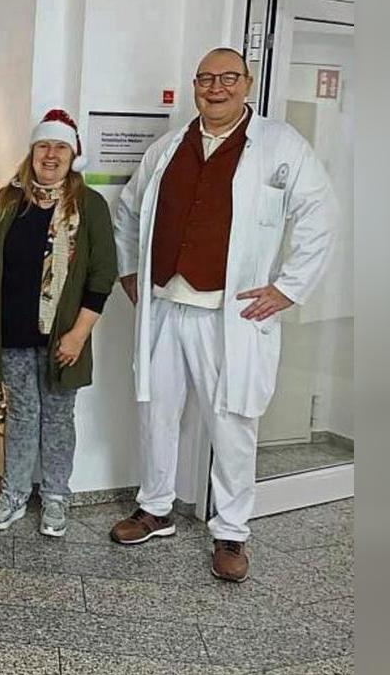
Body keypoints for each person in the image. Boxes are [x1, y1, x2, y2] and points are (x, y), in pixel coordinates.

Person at [111, 48, 338, 582]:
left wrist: (288, 287)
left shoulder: (281, 145)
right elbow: (129, 209)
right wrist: (129, 273)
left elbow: (319, 215)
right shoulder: (168, 148)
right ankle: (156, 507)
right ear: (194, 86)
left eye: (228, 78)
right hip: (166, 304)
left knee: (233, 423)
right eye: (206, 78)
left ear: (247, 83)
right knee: (156, 411)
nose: (216, 87)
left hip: (229, 314)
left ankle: (232, 531)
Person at [0, 109, 118, 537]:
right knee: (20, 414)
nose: (50, 155)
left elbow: (101, 276)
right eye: (43, 146)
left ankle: (55, 497)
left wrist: (78, 334)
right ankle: (15, 493)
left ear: (73, 155)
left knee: (57, 416)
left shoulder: (90, 206)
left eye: (60, 147)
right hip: (13, 332)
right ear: (32, 152)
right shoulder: (6, 201)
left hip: (63, 337)